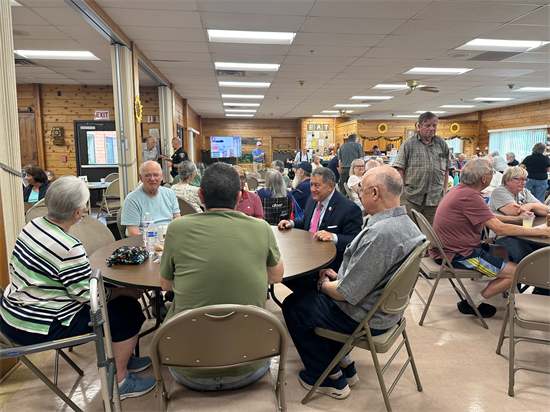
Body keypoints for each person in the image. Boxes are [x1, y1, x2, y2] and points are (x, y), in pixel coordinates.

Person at [0, 176, 155, 399]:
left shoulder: (33, 225)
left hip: (13, 310)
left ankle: (123, 354)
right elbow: (88, 297)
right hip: (36, 324)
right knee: (128, 311)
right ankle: (120, 382)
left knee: (113, 291)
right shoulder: (69, 246)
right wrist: (123, 291)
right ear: (78, 213)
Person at [282, 166, 425, 400]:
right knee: (312, 292)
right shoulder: (407, 224)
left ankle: (328, 378)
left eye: (361, 191)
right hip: (388, 312)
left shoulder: (380, 233)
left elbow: (343, 294)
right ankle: (342, 365)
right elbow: (374, 274)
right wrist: (339, 276)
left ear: (375, 193)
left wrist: (322, 285)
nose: (358, 196)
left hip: (366, 317)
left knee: (295, 305)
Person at [158, 162, 284, 391]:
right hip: (250, 366)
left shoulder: (177, 228)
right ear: (239, 197)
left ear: (200, 196)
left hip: (187, 369)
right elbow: (276, 277)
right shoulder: (261, 228)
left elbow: (166, 284)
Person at [429, 158, 550, 318]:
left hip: (448, 248)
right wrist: (544, 232)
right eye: (491, 173)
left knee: (502, 252)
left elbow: (487, 215)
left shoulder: (461, 190)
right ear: (484, 179)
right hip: (458, 254)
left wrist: (515, 219)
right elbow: (500, 229)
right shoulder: (471, 197)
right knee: (517, 273)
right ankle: (471, 303)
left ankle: (511, 292)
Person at [278, 167, 363, 289]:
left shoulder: (349, 208)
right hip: (307, 255)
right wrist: (291, 223)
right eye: (311, 185)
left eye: (317, 185)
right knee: (280, 269)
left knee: (291, 276)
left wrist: (333, 237)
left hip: (328, 264)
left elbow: (355, 240)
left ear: (330, 186)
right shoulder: (312, 201)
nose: (312, 189)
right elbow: (308, 224)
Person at [393, 111, 452, 225]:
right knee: (409, 231)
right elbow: (399, 168)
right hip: (411, 197)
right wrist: (403, 190)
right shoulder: (409, 144)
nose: (431, 128)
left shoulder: (442, 144)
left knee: (432, 233)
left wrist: (444, 190)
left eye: (434, 125)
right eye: (427, 125)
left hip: (435, 199)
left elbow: (446, 169)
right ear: (419, 127)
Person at [488, 166, 549, 263]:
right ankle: (521, 277)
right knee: (527, 258)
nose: (524, 182)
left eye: (525, 180)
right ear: (507, 181)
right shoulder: (499, 192)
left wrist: (530, 205)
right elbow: (514, 211)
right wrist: (533, 207)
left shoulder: (524, 192)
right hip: (504, 235)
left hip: (524, 233)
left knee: (543, 252)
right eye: (520, 179)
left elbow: (545, 211)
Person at [121, 161, 180, 236]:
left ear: (161, 176)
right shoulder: (132, 199)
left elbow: (177, 221)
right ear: (141, 178)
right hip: (145, 241)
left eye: (156, 175)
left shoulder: (169, 193)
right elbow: (133, 233)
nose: (152, 179)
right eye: (147, 175)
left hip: (169, 238)